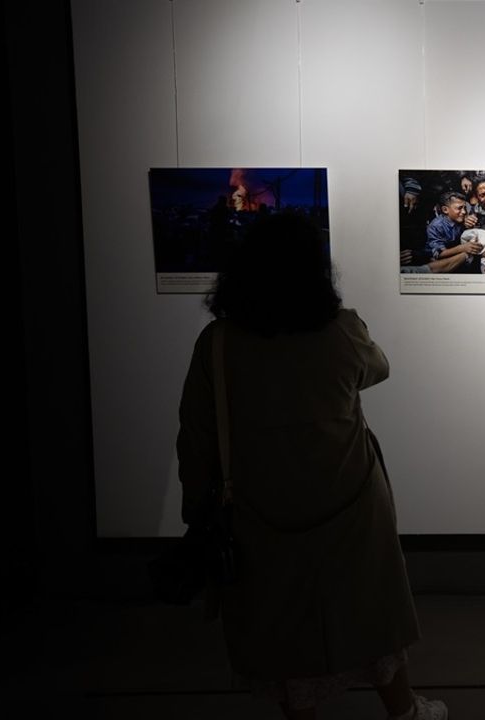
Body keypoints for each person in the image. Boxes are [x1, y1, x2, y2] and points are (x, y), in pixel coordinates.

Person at [177, 213, 447, 720]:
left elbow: (196, 437)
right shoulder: (341, 331)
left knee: (282, 629)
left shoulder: (217, 343)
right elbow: (379, 367)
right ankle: (405, 712)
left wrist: (197, 510)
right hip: (349, 502)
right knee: (371, 615)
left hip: (261, 510)